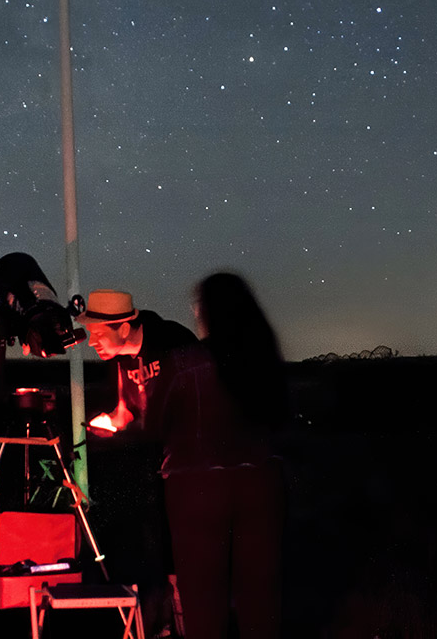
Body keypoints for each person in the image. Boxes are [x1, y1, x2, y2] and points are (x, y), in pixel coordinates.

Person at [148, 272, 290, 639]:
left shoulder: (183, 362)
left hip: (196, 487)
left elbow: (155, 422)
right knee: (261, 595)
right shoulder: (265, 359)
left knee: (202, 595)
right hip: (261, 482)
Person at [79, 289, 198, 638]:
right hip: (154, 468)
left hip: (186, 467)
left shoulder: (173, 342)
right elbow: (125, 410)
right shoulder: (122, 361)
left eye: (100, 334)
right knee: (150, 550)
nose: (92, 342)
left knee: (182, 556)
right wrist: (109, 421)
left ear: (126, 328)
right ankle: (159, 622)